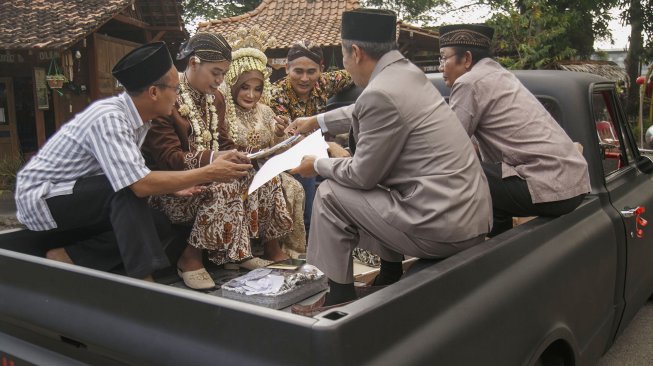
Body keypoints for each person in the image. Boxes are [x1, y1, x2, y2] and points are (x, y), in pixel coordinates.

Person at [287, 9, 492, 316]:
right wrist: (315, 121)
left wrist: (315, 164)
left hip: (442, 228)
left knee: (331, 193)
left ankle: (338, 294)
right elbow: (364, 110)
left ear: (355, 52)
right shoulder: (406, 73)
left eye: (342, 56)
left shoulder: (382, 92)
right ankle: (389, 273)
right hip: (465, 216)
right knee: (382, 178)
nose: (343, 64)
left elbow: (361, 175)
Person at [14, 42, 252, 283]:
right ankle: (144, 282)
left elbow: (134, 172)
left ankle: (69, 256)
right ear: (154, 92)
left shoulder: (140, 120)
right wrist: (209, 172)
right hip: (43, 199)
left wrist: (174, 186)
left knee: (158, 223)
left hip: (84, 197)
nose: (178, 96)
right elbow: (138, 183)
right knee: (127, 192)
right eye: (175, 89)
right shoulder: (109, 118)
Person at [142, 33, 293, 289]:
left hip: (207, 176)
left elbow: (224, 145)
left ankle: (244, 251)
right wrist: (214, 162)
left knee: (266, 176)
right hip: (171, 187)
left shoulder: (216, 98)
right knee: (225, 182)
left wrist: (248, 155)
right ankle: (190, 258)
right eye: (215, 72)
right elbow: (168, 159)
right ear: (193, 63)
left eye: (223, 73)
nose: (220, 80)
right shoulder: (167, 97)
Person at [438, 24, 590, 237]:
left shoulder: (469, 83)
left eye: (444, 58)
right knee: (484, 175)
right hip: (570, 185)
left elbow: (445, 148)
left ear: (466, 59)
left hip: (549, 188)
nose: (440, 67)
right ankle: (497, 238)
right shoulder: (498, 74)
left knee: (453, 174)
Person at [215, 26, 307, 258]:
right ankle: (256, 249)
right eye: (244, 87)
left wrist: (279, 133)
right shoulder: (223, 111)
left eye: (257, 89)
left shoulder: (266, 111)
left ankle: (289, 248)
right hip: (238, 171)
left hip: (267, 168)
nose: (251, 95)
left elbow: (278, 146)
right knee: (271, 184)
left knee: (294, 187)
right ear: (233, 84)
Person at [268, 40, 354, 237]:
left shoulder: (324, 83)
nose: (305, 78)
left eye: (311, 72)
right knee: (305, 165)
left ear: (321, 70)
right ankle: (307, 231)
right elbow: (290, 138)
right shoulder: (276, 95)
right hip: (285, 155)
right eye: (298, 71)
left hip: (321, 152)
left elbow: (354, 74)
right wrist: (329, 145)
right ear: (287, 68)